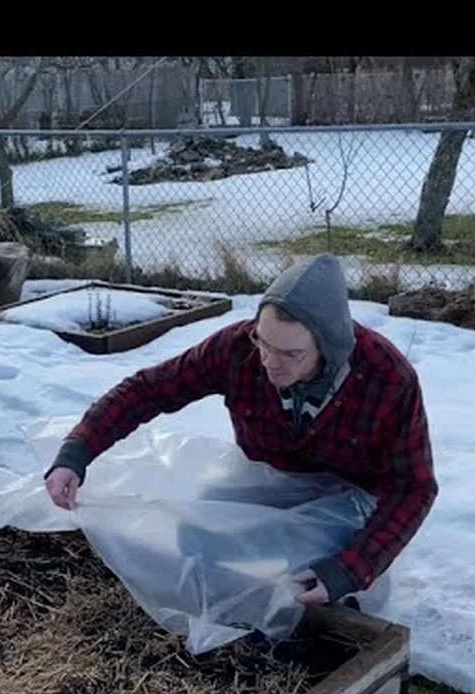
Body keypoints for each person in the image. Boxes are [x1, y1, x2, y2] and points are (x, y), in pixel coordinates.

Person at [43, 253, 438, 609]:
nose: (270, 363)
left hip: (349, 499)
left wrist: (353, 569)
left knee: (338, 585)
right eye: (264, 343)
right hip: (268, 475)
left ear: (331, 347)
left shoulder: (387, 378)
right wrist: (78, 450)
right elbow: (150, 389)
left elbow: (414, 487)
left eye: (291, 354)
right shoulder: (237, 348)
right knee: (193, 537)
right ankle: (229, 611)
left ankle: (340, 605)